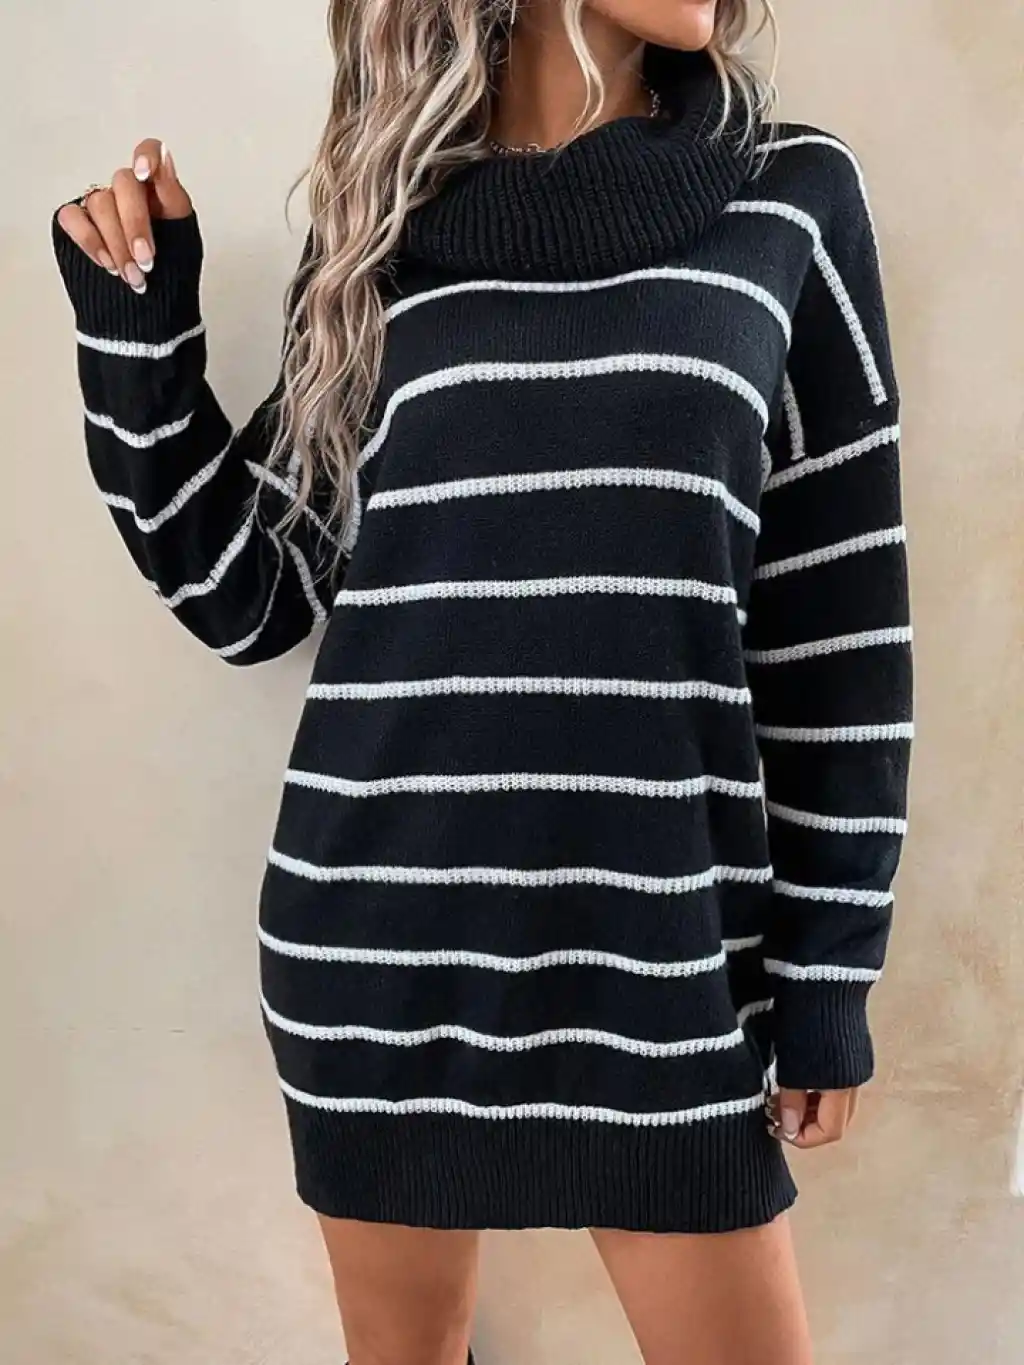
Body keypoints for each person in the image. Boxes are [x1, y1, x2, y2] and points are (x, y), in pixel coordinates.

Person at [52, 1, 912, 1361]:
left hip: (665, 962)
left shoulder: (792, 193)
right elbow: (250, 596)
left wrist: (829, 979)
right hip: (380, 954)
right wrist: (139, 330)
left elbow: (840, 634)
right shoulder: (376, 233)